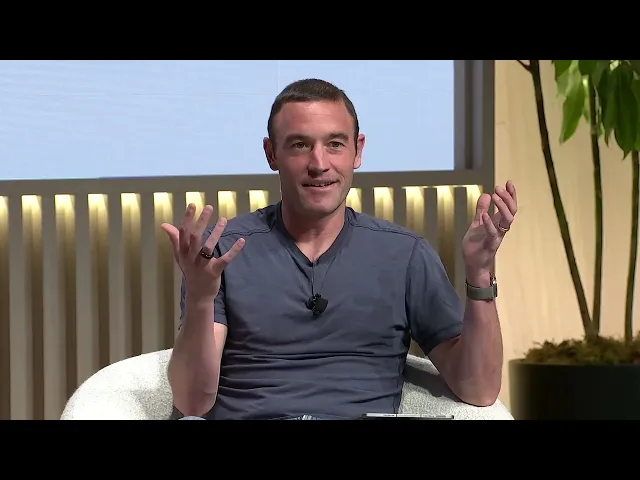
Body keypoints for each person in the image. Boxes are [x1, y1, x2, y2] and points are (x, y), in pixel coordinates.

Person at [161, 78, 518, 420]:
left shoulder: (405, 255)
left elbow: (479, 389)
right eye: (299, 145)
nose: (319, 164)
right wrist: (200, 299)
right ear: (272, 154)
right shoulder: (222, 253)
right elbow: (192, 402)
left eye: (334, 144)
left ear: (357, 151)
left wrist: (479, 273)